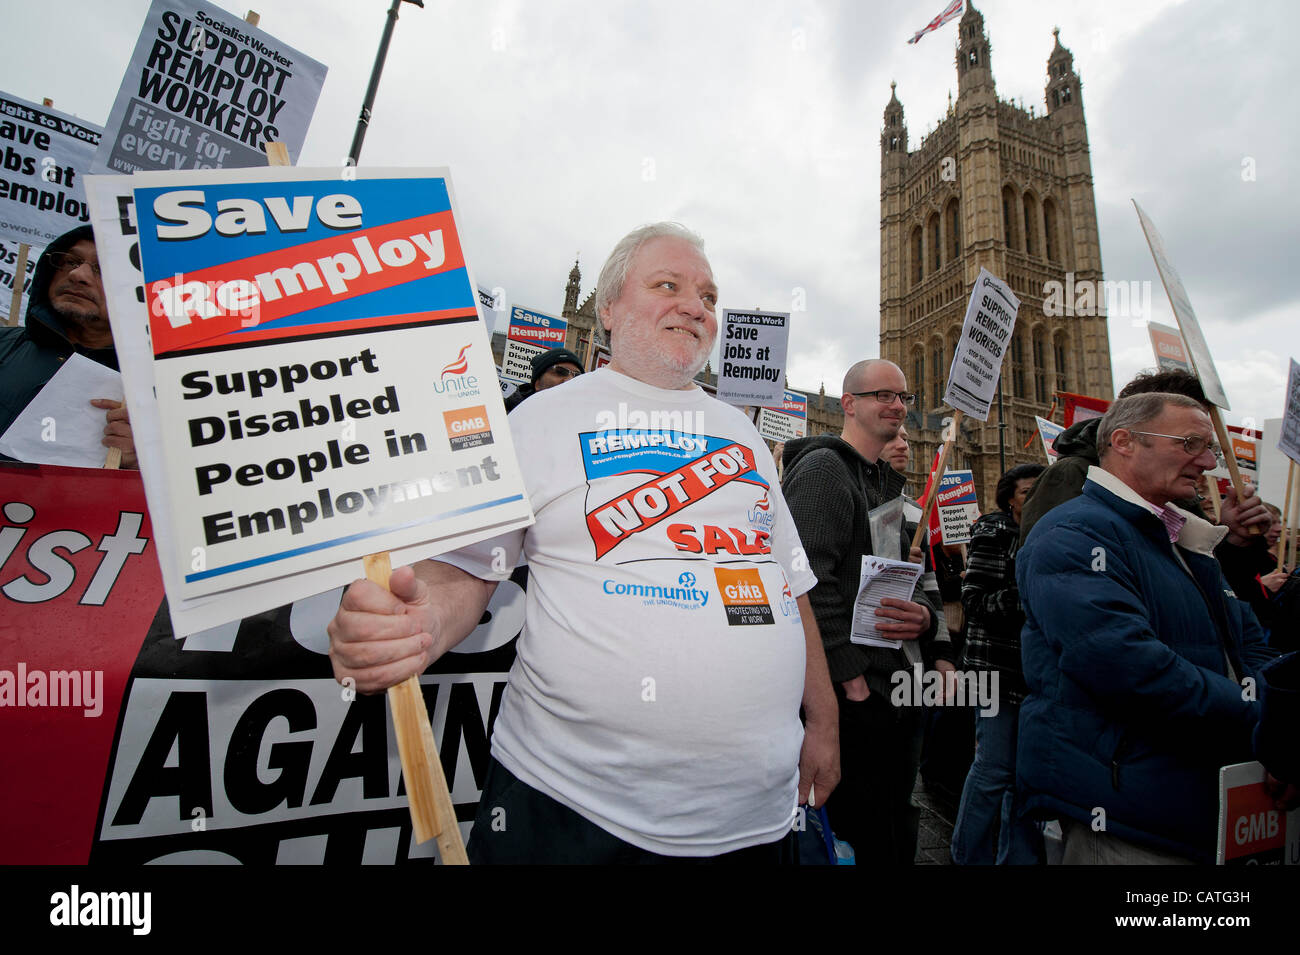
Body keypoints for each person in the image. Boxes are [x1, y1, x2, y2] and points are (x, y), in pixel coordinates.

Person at [328, 223, 839, 863]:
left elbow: (789, 587)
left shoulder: (744, 434)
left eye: (708, 296)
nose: (695, 305)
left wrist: (822, 722)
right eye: (668, 285)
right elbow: (464, 573)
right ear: (607, 308)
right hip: (571, 813)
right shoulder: (539, 419)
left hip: (756, 823)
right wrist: (414, 624)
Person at [1016, 393, 1276, 863]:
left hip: (1196, 802)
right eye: (1191, 443)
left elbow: (1248, 647)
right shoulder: (1074, 533)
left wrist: (1278, 712)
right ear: (1123, 441)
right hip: (1126, 809)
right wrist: (1266, 723)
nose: (1209, 461)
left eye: (1211, 447)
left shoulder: (1188, 540)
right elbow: (1129, 668)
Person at [781, 359, 955, 865]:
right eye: (882, 395)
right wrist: (851, 678)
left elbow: (910, 573)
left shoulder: (882, 484)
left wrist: (924, 621)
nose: (897, 406)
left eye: (903, 397)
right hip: (853, 697)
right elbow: (806, 582)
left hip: (890, 690)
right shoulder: (824, 471)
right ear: (848, 405)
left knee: (887, 825)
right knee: (855, 833)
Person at [950, 461, 1045, 865]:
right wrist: (1035, 590)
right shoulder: (993, 533)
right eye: (1027, 492)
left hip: (1036, 673)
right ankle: (966, 856)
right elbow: (976, 602)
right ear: (1009, 498)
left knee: (1027, 777)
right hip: (993, 670)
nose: (1036, 498)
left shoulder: (1050, 534)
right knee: (993, 770)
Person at [0, 226, 135, 467]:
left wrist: (143, 463)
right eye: (70, 261)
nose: (78, 274)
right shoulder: (4, 345)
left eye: (103, 269)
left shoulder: (162, 389)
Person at [503, 346, 583, 411]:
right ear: (537, 383)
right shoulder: (498, 416)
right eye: (560, 371)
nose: (569, 380)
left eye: (577, 377)